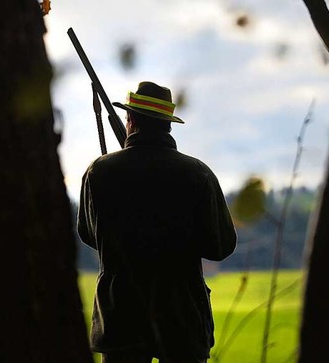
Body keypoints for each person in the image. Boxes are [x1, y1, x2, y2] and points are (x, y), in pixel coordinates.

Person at [77, 81, 237, 363]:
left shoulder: (99, 172)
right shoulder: (199, 174)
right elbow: (220, 246)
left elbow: (90, 234)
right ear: (168, 125)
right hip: (182, 318)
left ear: (131, 120)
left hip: (120, 319)